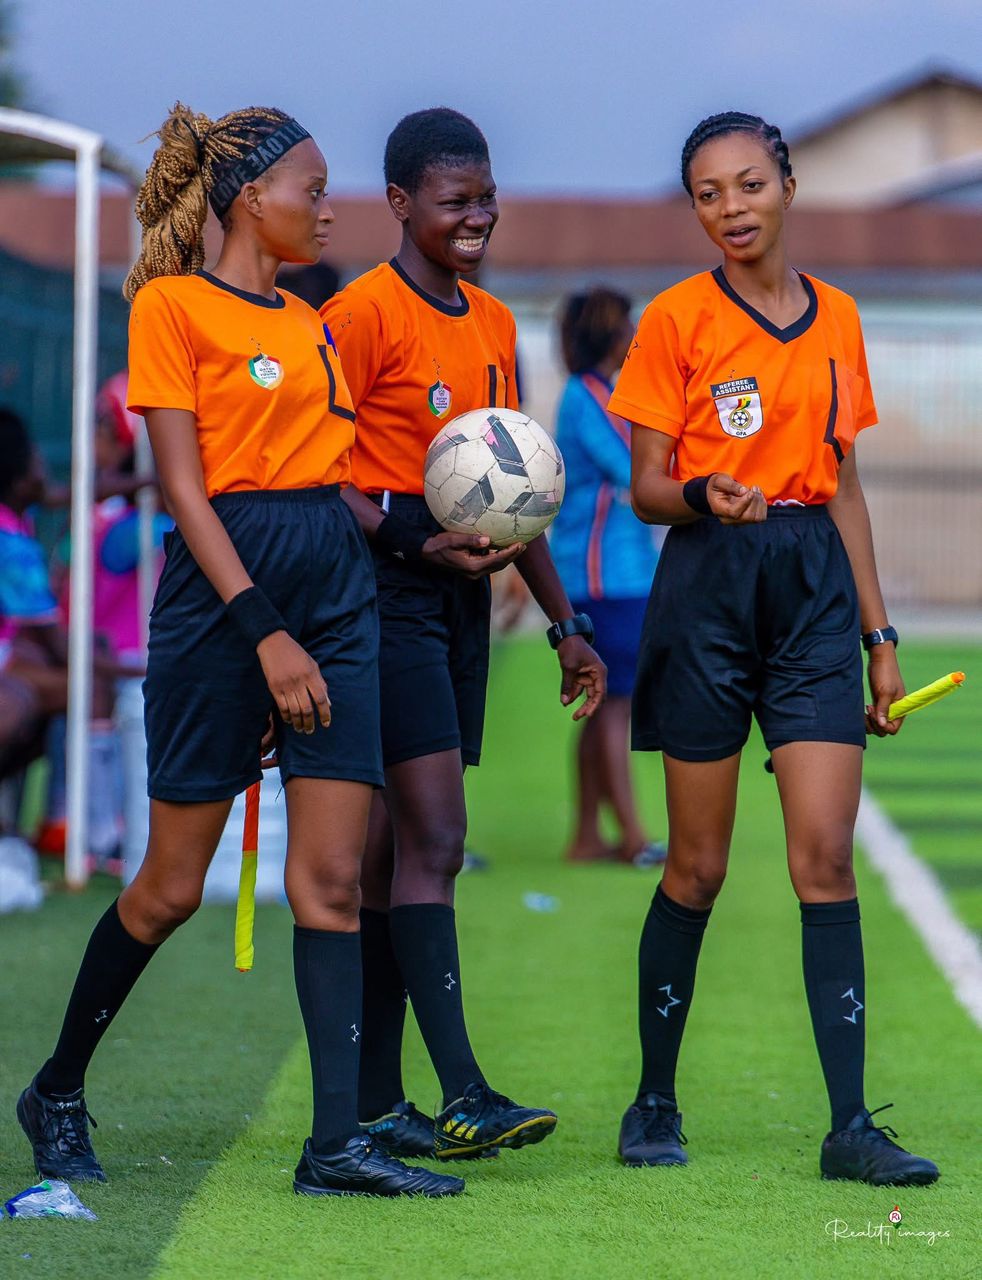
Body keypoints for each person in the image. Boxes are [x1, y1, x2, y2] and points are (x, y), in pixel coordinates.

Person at [15, 102, 463, 1200]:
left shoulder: (311, 318)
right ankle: (58, 1086)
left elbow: (335, 482)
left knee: (326, 878)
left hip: (337, 591)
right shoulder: (171, 307)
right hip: (227, 603)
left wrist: (417, 539)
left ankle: (334, 1145)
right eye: (309, 186)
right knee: (167, 884)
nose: (324, 204)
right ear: (247, 196)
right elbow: (183, 486)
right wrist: (264, 634)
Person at [607, 112, 939, 1186]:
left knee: (823, 857)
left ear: (787, 184)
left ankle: (849, 1124)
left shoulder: (837, 317)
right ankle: (653, 1097)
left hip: (809, 593)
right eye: (709, 193)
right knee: (697, 866)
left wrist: (877, 636)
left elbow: (843, 484)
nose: (732, 206)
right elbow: (648, 481)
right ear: (696, 210)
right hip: (706, 581)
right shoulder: (672, 320)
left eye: (749, 183)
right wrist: (703, 489)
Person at [322, 107, 606, 1161]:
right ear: (400, 204)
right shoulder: (358, 314)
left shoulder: (491, 323)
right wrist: (406, 536)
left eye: (486, 195)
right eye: (455, 199)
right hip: (378, 597)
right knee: (437, 840)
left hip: (455, 601)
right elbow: (316, 467)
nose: (477, 213)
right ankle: (463, 1091)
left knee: (397, 852)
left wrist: (566, 622)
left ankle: (373, 1101)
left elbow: (515, 484)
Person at [549, 289, 666, 866]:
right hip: (603, 575)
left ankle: (587, 835)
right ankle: (633, 836)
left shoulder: (599, 394)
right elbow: (638, 468)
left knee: (605, 706)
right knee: (615, 706)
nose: (636, 336)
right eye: (629, 327)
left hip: (618, 570)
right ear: (611, 335)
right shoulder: (589, 396)